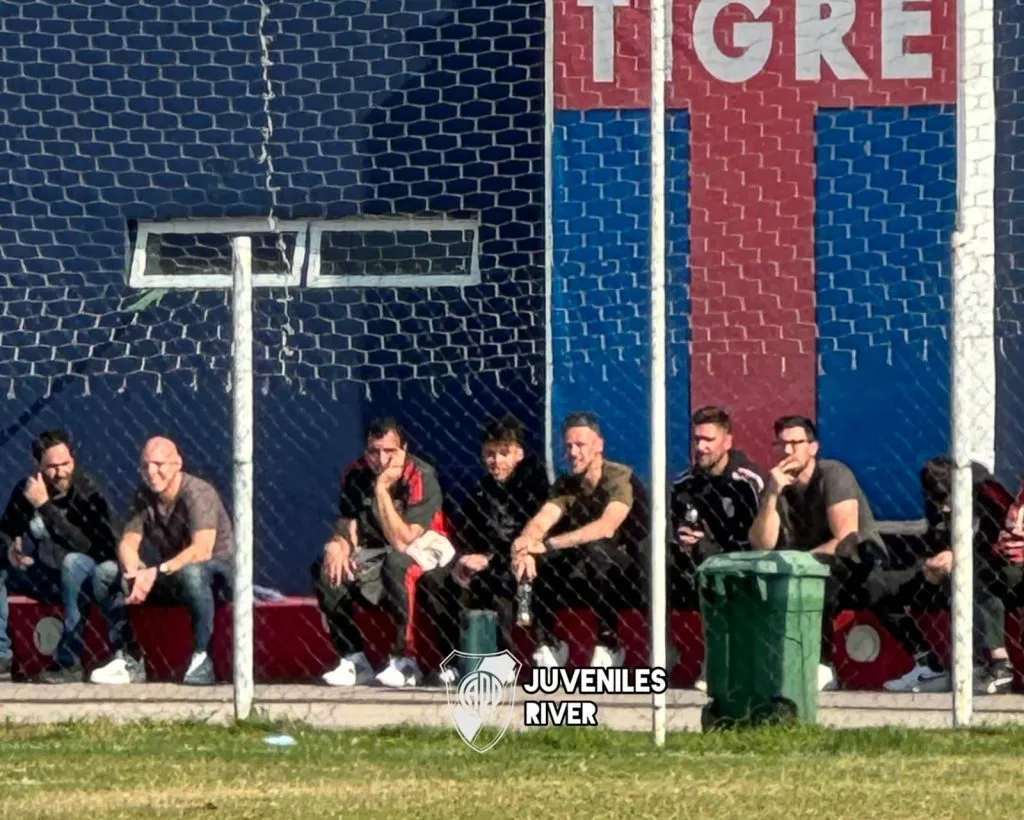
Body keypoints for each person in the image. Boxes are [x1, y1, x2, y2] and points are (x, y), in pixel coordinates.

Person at [749, 415, 886, 692]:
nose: (787, 451)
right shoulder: (777, 482)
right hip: (803, 564)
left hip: (856, 563)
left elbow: (845, 538)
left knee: (814, 578)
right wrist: (773, 494)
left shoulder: (833, 474)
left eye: (796, 443)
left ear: (813, 447)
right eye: (781, 444)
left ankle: (821, 666)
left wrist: (800, 562)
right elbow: (761, 543)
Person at [88, 436, 234, 686]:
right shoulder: (144, 495)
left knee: (192, 573)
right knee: (106, 573)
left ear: (177, 464)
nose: (151, 472)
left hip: (216, 579)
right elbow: (128, 542)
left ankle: (202, 659)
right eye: (145, 466)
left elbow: (202, 549)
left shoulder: (198, 493)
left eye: (158, 464)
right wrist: (134, 569)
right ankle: (129, 659)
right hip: (172, 576)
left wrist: (155, 572)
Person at [417, 415, 550, 684]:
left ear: (520, 453)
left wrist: (490, 559)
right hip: (482, 561)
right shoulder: (482, 490)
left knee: (495, 580)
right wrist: (463, 558)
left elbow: (536, 539)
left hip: (519, 563)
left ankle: (504, 661)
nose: (496, 461)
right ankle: (454, 660)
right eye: (490, 454)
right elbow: (466, 531)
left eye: (504, 453)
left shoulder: (536, 488)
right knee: (434, 581)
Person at [313, 418, 444, 688]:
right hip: (374, 551)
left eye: (389, 451)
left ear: (404, 449)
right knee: (325, 565)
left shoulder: (420, 474)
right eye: (373, 451)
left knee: (398, 563)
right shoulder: (355, 473)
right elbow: (348, 526)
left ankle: (406, 661)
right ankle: (354, 661)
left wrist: (382, 488)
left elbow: (404, 540)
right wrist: (337, 544)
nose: (381, 459)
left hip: (426, 549)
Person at [512, 412, 649, 669]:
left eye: (581, 445)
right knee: (538, 559)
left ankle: (610, 643)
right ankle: (548, 642)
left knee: (596, 550)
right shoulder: (567, 484)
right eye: (568, 446)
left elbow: (607, 527)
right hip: (584, 566)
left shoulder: (619, 476)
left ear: (599, 445)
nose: (573, 452)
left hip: (628, 566)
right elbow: (544, 519)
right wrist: (525, 546)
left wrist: (549, 544)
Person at [891, 457, 1021, 694]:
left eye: (946, 498)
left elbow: (999, 544)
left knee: (973, 575)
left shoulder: (988, 496)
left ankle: (1000, 664)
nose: (944, 508)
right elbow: (935, 539)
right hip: (964, 567)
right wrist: (934, 560)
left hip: (1001, 566)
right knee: (898, 584)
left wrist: (958, 555)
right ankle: (953, 665)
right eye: (937, 500)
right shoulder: (938, 504)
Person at [0, 429, 118, 682]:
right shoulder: (28, 488)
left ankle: (68, 662)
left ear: (73, 460)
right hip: (41, 574)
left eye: (65, 464)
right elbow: (6, 529)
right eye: (51, 467)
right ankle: (2, 656)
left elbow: (88, 546)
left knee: (72, 563)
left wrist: (44, 506)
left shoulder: (86, 491)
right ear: (38, 465)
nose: (60, 472)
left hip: (80, 579)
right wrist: (11, 547)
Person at [670, 405, 765, 609]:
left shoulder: (748, 482)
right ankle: (663, 637)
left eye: (708, 440)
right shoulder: (684, 484)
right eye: (697, 439)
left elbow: (761, 541)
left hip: (747, 561)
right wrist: (683, 538)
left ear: (727, 442)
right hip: (698, 561)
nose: (700, 447)